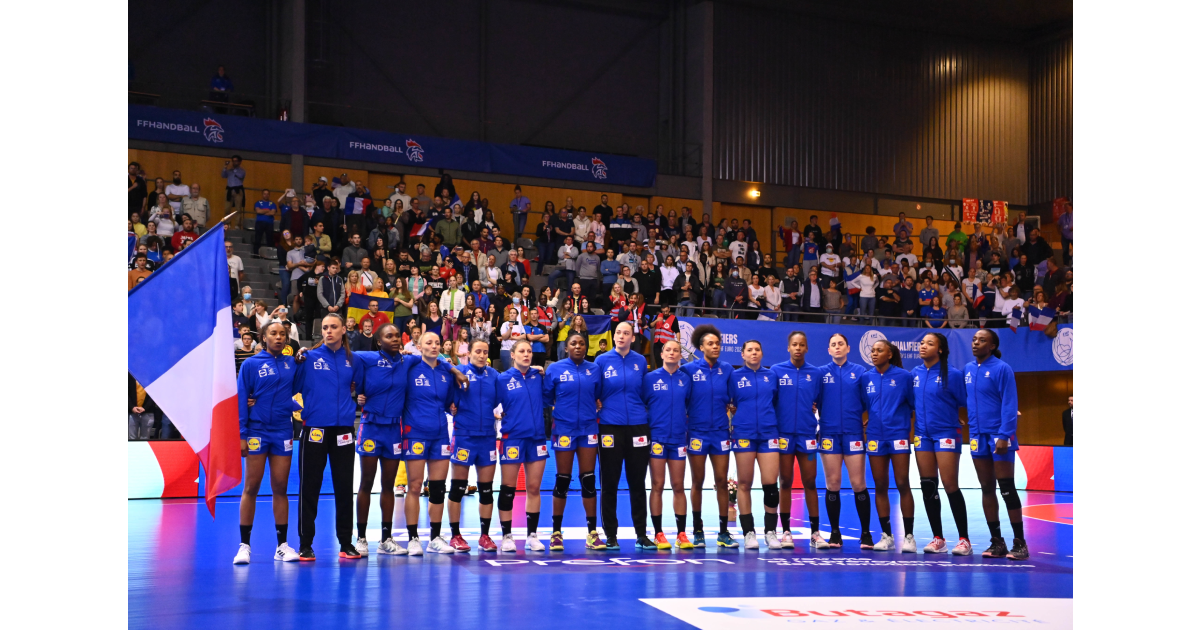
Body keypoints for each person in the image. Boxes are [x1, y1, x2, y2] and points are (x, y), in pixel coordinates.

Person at [345, 323, 434, 557]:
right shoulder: (367, 358)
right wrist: (306, 351)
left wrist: (454, 371)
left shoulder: (407, 361)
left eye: (397, 336)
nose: (395, 339)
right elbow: (340, 352)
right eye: (389, 336)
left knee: (389, 485)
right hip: (371, 428)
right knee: (366, 483)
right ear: (378, 341)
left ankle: (386, 539)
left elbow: (433, 360)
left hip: (394, 430)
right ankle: (361, 538)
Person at [292, 314, 365, 560]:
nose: (328, 331)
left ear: (344, 329)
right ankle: (305, 544)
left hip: (344, 431)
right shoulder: (308, 358)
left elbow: (363, 385)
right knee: (309, 487)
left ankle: (346, 543)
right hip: (314, 430)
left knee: (344, 488)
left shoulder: (353, 360)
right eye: (324, 327)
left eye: (334, 327)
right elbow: (289, 387)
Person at [231, 322, 301, 564]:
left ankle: (282, 546)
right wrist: (241, 434)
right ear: (263, 337)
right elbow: (241, 399)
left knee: (280, 487)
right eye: (273, 333)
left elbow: (300, 387)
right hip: (256, 432)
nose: (279, 337)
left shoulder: (292, 363)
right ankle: (244, 546)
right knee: (251, 487)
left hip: (282, 431)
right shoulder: (250, 364)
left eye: (283, 334)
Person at [965, 329, 1028, 560]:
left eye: (982, 340)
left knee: (1007, 487)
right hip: (977, 436)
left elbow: (1010, 403)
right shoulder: (968, 369)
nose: (976, 343)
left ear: (992, 346)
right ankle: (997, 542)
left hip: (999, 436)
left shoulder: (1002, 368)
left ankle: (1020, 543)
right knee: (987, 488)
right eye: (974, 339)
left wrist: (1004, 434)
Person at [398, 332, 461, 555]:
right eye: (429, 343)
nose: (434, 346)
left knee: (438, 488)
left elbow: (449, 403)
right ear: (419, 346)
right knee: (414, 486)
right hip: (415, 433)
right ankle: (413, 538)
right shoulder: (410, 367)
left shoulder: (445, 372)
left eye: (437, 343)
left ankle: (435, 538)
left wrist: (452, 408)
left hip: (440, 435)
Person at [911, 333, 972, 555]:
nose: (923, 346)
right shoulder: (915, 374)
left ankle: (964, 540)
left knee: (950, 484)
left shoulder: (953, 374)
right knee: (928, 485)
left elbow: (968, 401)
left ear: (940, 349)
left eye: (929, 343)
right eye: (922, 343)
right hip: (922, 435)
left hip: (946, 433)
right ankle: (938, 538)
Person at [543, 332, 605, 551]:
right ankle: (556, 533)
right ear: (566, 347)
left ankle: (592, 533)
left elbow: (598, 394)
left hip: (588, 429)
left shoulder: (594, 369)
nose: (578, 346)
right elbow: (547, 396)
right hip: (564, 429)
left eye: (581, 343)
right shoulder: (555, 369)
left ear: (586, 347)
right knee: (563, 479)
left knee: (588, 479)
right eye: (573, 343)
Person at [594, 322, 653, 549]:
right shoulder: (601, 361)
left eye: (626, 333)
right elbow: (594, 391)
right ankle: (611, 535)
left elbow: (645, 393)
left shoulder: (640, 361)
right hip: (609, 426)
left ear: (632, 337)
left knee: (637, 482)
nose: (621, 336)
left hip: (638, 426)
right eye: (618, 332)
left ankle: (641, 534)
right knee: (609, 482)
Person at [681, 324, 738, 548]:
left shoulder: (728, 370)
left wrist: (734, 406)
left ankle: (723, 532)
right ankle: (698, 530)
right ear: (701, 347)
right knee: (697, 481)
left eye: (718, 343)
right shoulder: (688, 370)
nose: (715, 347)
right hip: (696, 432)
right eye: (710, 344)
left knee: (721, 481)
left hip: (721, 432)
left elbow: (735, 397)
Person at [817, 333, 873, 549]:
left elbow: (868, 400)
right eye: (833, 344)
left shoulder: (860, 372)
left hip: (853, 434)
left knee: (859, 484)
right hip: (829, 435)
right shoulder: (821, 373)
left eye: (841, 344)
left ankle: (866, 534)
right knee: (833, 484)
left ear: (848, 348)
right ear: (828, 350)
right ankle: (834, 533)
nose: (837, 347)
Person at [770, 331, 825, 549]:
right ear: (788, 347)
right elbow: (769, 400)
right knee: (785, 482)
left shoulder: (816, 373)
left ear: (807, 348)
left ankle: (815, 533)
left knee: (810, 482)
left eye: (802, 345)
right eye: (794, 344)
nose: (798, 348)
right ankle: (786, 531)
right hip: (783, 435)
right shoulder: (776, 371)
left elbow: (820, 401)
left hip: (807, 435)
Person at [862, 341, 917, 552]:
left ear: (890, 354)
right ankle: (887, 536)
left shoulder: (904, 376)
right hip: (875, 436)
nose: (874, 354)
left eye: (879, 350)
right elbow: (866, 404)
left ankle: (909, 536)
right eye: (872, 351)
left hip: (898, 434)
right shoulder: (866, 377)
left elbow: (913, 404)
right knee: (880, 485)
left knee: (902, 483)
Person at [496, 340, 550, 552]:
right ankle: (506, 536)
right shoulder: (502, 379)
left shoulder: (538, 377)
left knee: (534, 488)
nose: (526, 354)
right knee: (508, 489)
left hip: (536, 439)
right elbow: (489, 402)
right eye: (522, 351)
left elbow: (550, 397)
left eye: (529, 351)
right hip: (512, 438)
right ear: (512, 354)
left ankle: (532, 535)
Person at [729, 340, 783, 550]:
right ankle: (748, 533)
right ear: (742, 354)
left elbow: (776, 401)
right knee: (744, 483)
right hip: (744, 433)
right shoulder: (734, 377)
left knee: (770, 484)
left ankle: (770, 532)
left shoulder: (771, 375)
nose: (754, 353)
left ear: (762, 353)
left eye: (757, 349)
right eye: (749, 350)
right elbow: (729, 401)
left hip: (769, 432)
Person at [640, 339, 694, 550]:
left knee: (679, 486)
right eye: (668, 350)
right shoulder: (649, 378)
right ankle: (658, 533)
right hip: (657, 438)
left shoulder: (686, 380)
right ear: (661, 354)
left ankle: (681, 534)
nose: (672, 353)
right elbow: (641, 404)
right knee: (657, 485)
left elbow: (688, 404)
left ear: (680, 355)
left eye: (676, 350)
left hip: (678, 439)